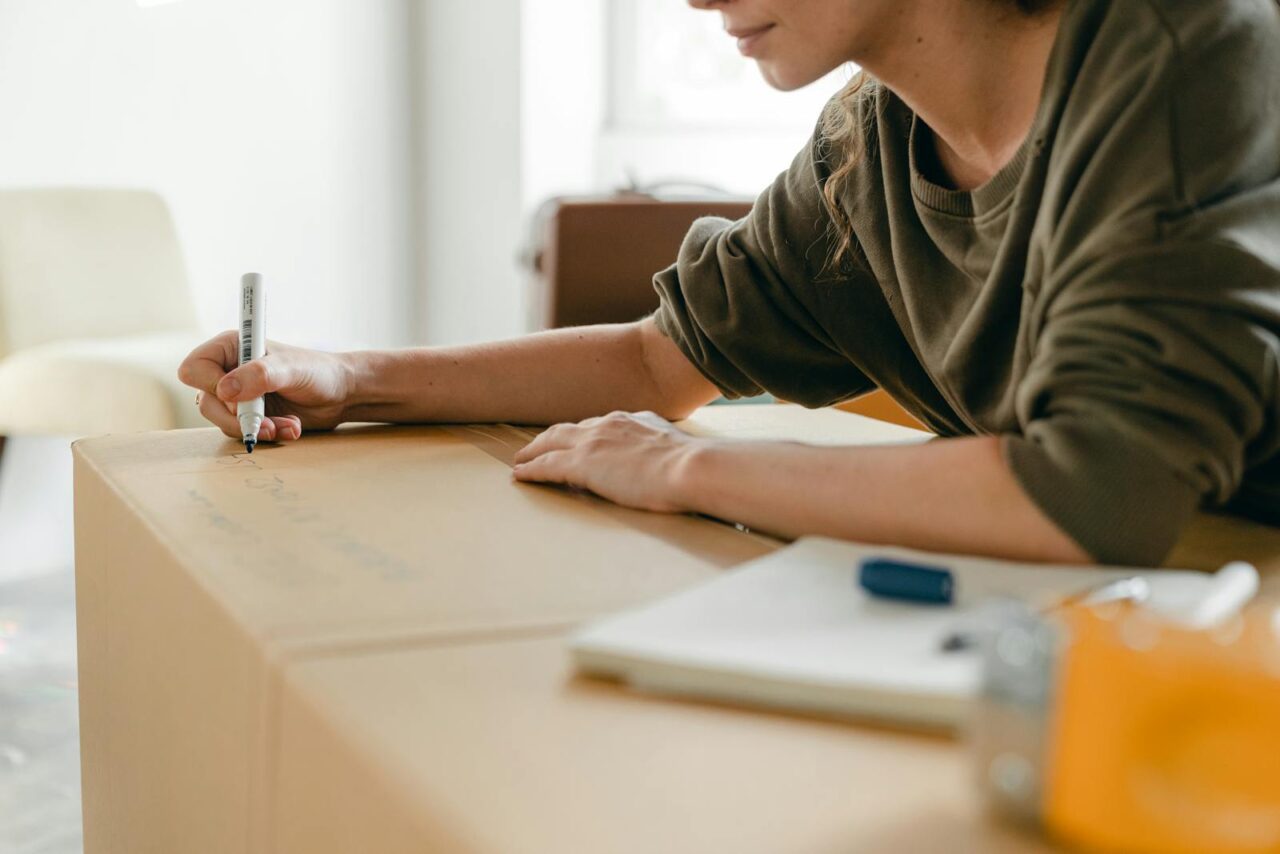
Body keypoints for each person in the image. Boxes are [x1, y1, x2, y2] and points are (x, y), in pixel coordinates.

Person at [179, 0, 1280, 567]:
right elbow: (660, 358)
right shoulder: (867, 143)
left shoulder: (1182, 51)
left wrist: (688, 469)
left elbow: (1083, 495)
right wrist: (349, 375)